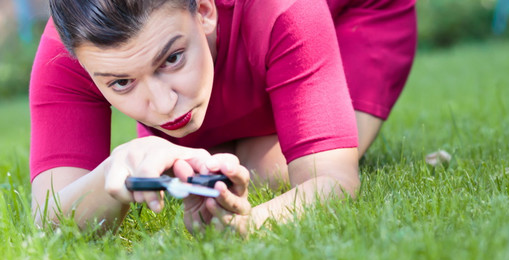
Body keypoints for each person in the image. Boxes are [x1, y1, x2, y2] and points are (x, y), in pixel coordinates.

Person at [30, 0, 417, 235]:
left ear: (203, 11)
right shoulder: (72, 49)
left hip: (356, 14)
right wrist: (115, 169)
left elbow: (331, 182)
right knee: (205, 166)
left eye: (172, 58)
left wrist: (248, 224)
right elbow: (48, 216)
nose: (163, 103)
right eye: (121, 83)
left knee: (267, 169)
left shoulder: (282, 8)